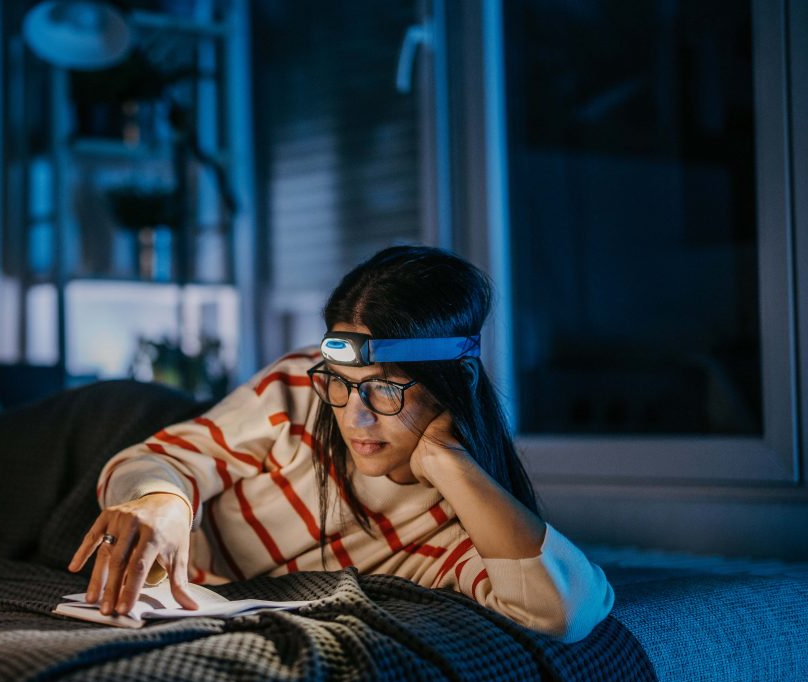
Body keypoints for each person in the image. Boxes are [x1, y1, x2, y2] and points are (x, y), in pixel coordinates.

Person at [67, 245, 614, 643]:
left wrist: (448, 464)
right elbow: (161, 459)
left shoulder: (458, 527)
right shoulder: (300, 387)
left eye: (385, 388)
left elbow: (562, 612)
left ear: (455, 387)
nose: (355, 418)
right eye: (340, 383)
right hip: (99, 434)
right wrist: (160, 502)